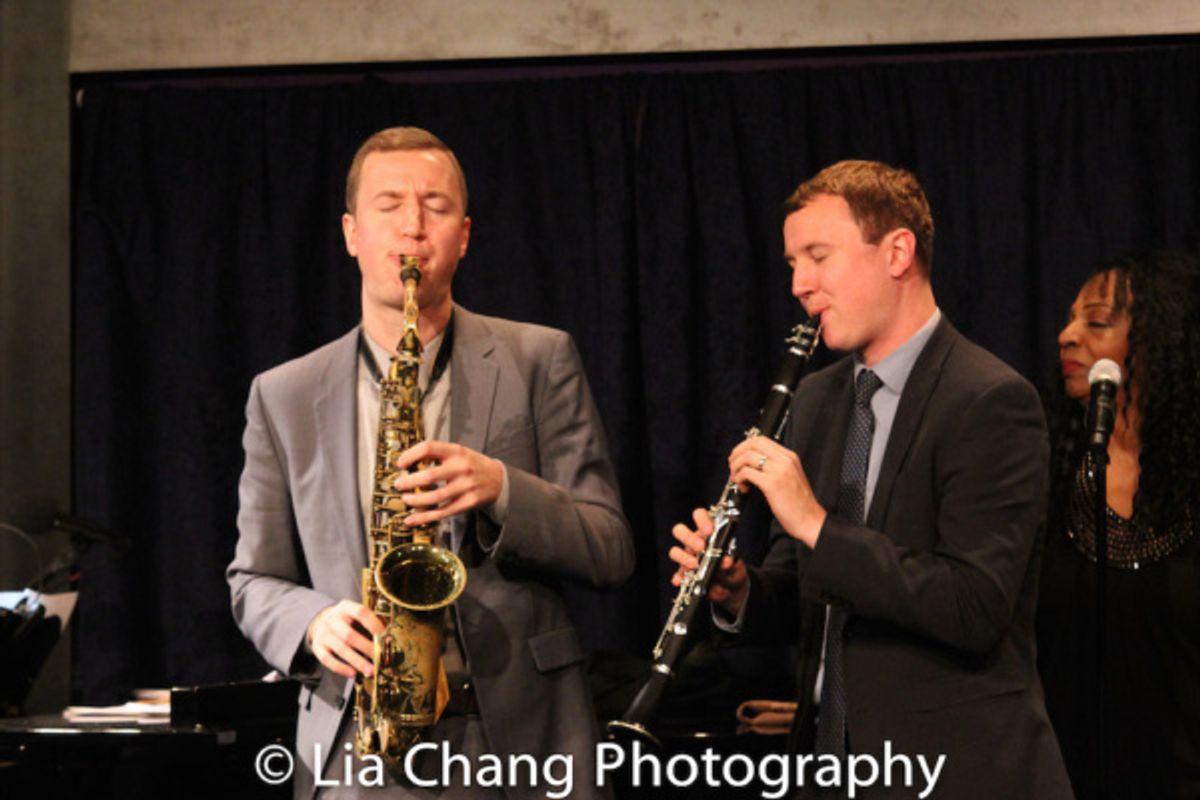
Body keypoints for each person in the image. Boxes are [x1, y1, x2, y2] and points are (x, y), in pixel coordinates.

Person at [227, 126, 634, 799]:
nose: (414, 226)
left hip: (519, 747)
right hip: (359, 750)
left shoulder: (541, 359)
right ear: (351, 232)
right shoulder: (284, 393)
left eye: (436, 207)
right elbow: (253, 580)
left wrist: (503, 488)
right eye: (389, 206)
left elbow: (610, 549)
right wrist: (313, 621)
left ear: (465, 235)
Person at [670, 160, 1072, 797]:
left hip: (956, 773)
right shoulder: (816, 400)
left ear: (898, 253)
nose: (800, 284)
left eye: (818, 256)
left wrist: (817, 525)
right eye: (792, 264)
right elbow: (811, 590)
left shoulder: (991, 400)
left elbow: (974, 606)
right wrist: (739, 590)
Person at [1037, 251, 1200, 800]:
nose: (1066, 335)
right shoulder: (1043, 475)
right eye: (1068, 318)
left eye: (1097, 321)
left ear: (1160, 343)